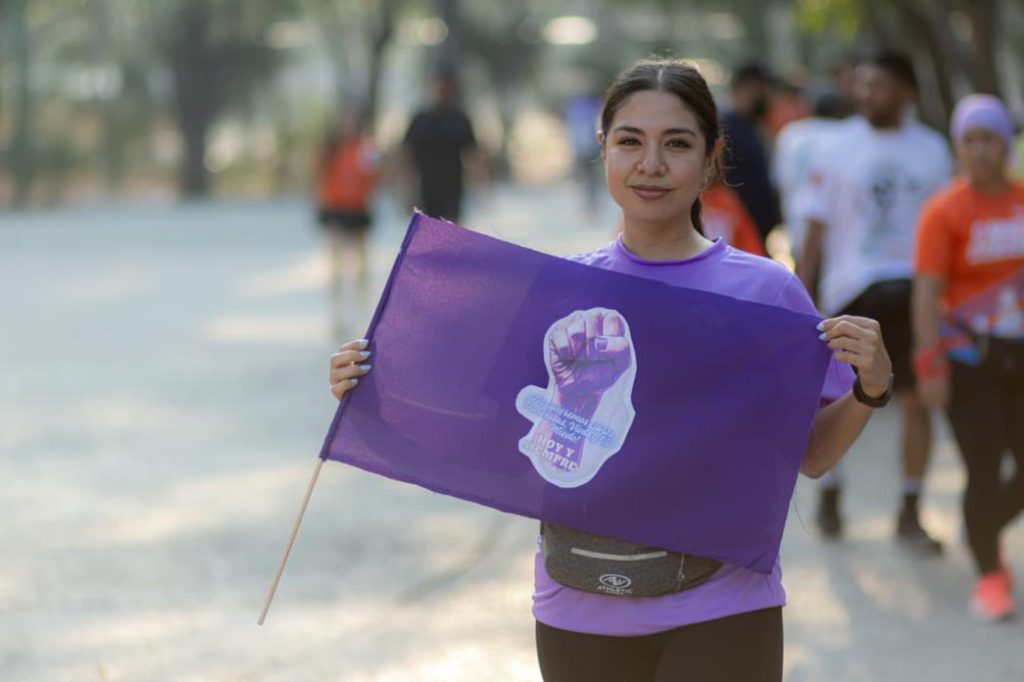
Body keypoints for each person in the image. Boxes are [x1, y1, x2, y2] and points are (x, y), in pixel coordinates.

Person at [329, 58, 892, 680]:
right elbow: (496, 441)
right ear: (602, 150)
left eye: (676, 144)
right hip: (579, 608)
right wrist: (375, 393)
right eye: (630, 141)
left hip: (725, 609)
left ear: (711, 157)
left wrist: (871, 388)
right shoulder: (561, 296)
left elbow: (811, 454)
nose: (651, 164)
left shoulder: (766, 293)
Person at [797, 51, 953, 553]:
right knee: (837, 397)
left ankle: (910, 507)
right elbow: (814, 230)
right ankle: (831, 492)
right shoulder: (834, 147)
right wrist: (799, 296)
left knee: (914, 402)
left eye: (878, 85)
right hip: (850, 292)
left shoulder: (932, 149)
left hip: (913, 291)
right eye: (861, 84)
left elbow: (948, 228)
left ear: (906, 90)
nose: (866, 94)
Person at [912, 94, 1024, 622]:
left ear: (1006, 145)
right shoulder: (944, 211)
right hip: (968, 362)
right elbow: (926, 293)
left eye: (990, 139)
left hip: (1020, 359)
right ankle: (990, 576)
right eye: (970, 140)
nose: (980, 151)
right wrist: (929, 364)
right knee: (984, 466)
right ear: (958, 148)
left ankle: (982, 526)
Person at [315, 106, 379, 338]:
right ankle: (336, 316)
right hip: (335, 208)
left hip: (357, 209)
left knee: (361, 265)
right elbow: (319, 179)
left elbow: (374, 177)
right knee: (336, 265)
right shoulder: (330, 150)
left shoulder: (366, 149)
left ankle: (364, 314)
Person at [402, 70, 481, 223]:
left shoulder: (459, 119)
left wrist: (478, 184)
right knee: (428, 228)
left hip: (452, 187)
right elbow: (407, 154)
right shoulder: (421, 120)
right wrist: (405, 189)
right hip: (425, 186)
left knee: (450, 228)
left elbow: (473, 154)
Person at [720, 61, 781, 246]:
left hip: (756, 232)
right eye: (761, 88)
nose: (767, 96)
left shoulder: (754, 127)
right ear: (743, 88)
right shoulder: (725, 128)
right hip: (737, 233)